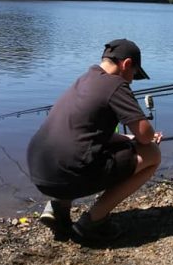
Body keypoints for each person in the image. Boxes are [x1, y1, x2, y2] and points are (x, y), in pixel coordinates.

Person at [27, 38, 162, 243]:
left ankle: (58, 209)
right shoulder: (116, 84)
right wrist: (149, 137)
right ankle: (92, 222)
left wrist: (128, 139)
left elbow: (85, 133)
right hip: (68, 174)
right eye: (134, 74)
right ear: (126, 64)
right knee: (152, 154)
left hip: (40, 171)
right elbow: (145, 135)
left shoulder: (83, 80)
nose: (132, 81)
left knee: (74, 149)